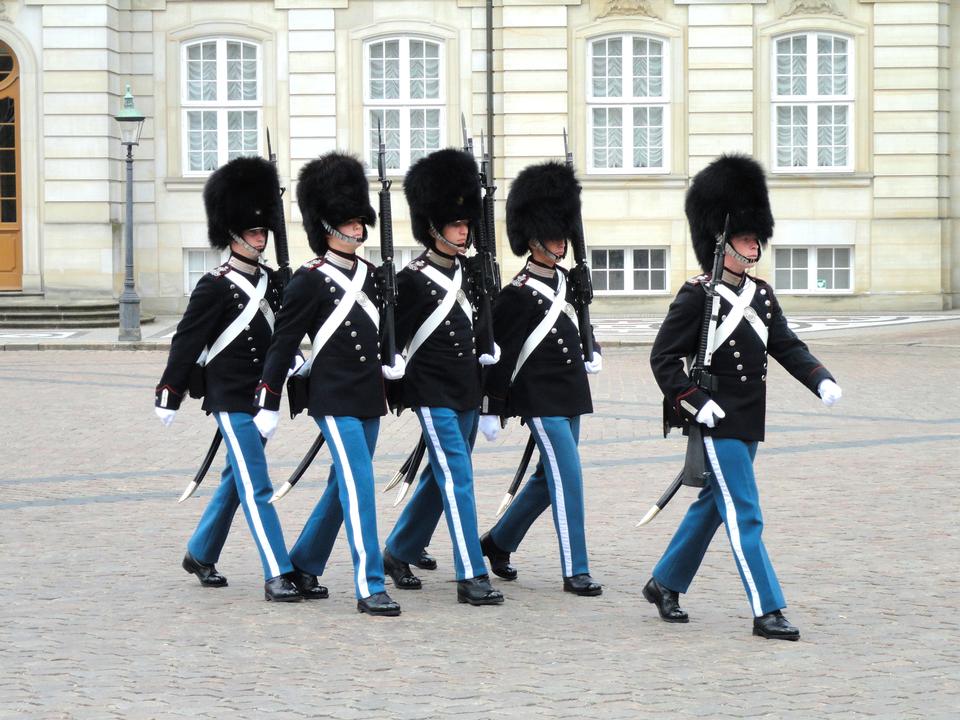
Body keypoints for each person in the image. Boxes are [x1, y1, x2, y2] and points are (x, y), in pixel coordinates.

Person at [643, 154, 843, 640]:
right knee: (744, 511)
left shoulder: (761, 295)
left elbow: (786, 345)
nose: (754, 245)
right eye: (746, 237)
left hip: (749, 419)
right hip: (715, 419)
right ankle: (767, 609)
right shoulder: (697, 295)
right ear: (722, 240)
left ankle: (665, 582)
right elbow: (663, 358)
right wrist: (693, 401)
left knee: (715, 502)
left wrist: (819, 377)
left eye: (756, 238)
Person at [252, 152, 403, 617]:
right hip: (333, 397)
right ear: (329, 227)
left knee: (343, 486)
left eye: (360, 221)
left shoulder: (375, 276)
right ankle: (369, 583)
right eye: (350, 222)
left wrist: (394, 362)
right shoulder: (310, 279)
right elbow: (283, 343)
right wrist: (268, 400)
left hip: (368, 395)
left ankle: (304, 561)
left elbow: (385, 331)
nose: (358, 229)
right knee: (359, 485)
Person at [154, 156, 301, 603]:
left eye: (263, 232)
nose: (261, 238)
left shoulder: (274, 282)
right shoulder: (214, 285)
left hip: (263, 397)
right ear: (234, 234)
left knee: (236, 479)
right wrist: (170, 392)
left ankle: (200, 552)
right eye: (254, 232)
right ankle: (278, 571)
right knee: (257, 482)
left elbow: (285, 331)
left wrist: (292, 359)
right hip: (229, 397)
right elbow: (186, 341)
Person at [380, 148, 504, 606]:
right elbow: (392, 337)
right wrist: (391, 364)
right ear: (433, 228)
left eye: (466, 224)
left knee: (440, 476)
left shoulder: (471, 272)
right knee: (459, 476)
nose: (463, 230)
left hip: (468, 390)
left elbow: (483, 333)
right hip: (431, 391)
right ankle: (470, 573)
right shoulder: (411, 279)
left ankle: (398, 550)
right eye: (455, 225)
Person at [476, 161, 603, 597]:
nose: (560, 244)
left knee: (547, 480)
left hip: (571, 393)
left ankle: (497, 541)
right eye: (552, 237)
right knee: (568, 477)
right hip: (539, 398)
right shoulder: (515, 293)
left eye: (562, 235)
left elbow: (578, 325)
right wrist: (492, 407)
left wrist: (594, 349)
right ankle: (576, 568)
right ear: (533, 240)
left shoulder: (569, 281)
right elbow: (501, 355)